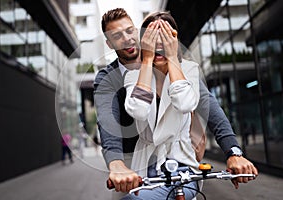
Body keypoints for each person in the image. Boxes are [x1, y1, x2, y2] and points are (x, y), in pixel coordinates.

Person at [94, 8, 258, 199]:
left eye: (130, 31)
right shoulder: (114, 77)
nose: (127, 39)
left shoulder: (184, 69)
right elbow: (108, 121)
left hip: (179, 163)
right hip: (130, 162)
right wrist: (116, 163)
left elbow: (209, 107)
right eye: (117, 35)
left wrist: (233, 151)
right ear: (109, 43)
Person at [122, 12, 200, 199]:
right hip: (146, 165)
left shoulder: (189, 69)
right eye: (152, 39)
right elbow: (139, 111)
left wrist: (172, 57)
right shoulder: (134, 75)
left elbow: (185, 103)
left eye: (165, 38)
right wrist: (147, 59)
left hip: (182, 165)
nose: (159, 45)